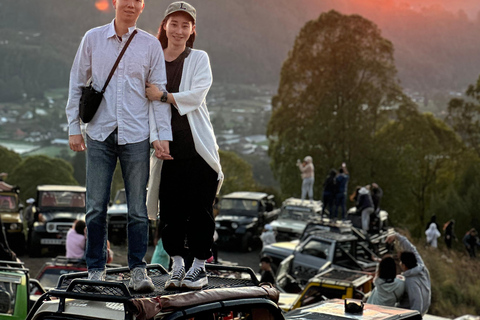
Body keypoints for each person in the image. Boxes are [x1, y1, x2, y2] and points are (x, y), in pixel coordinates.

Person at [65, 0, 172, 292]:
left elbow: (158, 92)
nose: (130, 4)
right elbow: (77, 81)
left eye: (136, 0)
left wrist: (162, 136)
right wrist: (74, 127)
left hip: (136, 136)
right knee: (96, 207)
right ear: (115, 2)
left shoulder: (150, 45)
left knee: (137, 208)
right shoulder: (93, 38)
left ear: (142, 6)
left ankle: (138, 269)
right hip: (99, 133)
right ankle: (96, 270)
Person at [145, 2, 223, 290]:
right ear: (164, 26)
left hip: (197, 145)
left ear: (192, 30)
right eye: (174, 24)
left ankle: (199, 267)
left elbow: (196, 96)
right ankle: (177, 265)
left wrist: (163, 95)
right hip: (167, 148)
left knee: (201, 207)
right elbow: (148, 105)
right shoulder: (154, 60)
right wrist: (156, 139)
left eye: (185, 25)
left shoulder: (198, 58)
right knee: (171, 210)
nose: (179, 30)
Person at [386, 233, 431, 316]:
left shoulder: (411, 282)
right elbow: (412, 249)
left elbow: (417, 303)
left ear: (404, 265)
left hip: (409, 314)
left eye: (400, 262)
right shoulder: (421, 267)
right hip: (423, 309)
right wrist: (397, 236)